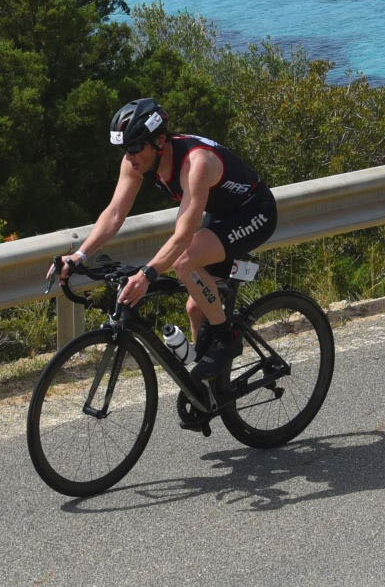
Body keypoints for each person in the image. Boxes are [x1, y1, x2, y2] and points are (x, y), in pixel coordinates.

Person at [55, 99, 278, 417]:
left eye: (134, 148)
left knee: (185, 261)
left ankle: (228, 339)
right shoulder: (136, 161)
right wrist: (79, 255)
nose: (129, 157)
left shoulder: (195, 162)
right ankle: (213, 391)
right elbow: (115, 213)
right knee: (195, 305)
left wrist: (147, 274)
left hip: (254, 212)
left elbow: (184, 236)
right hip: (221, 216)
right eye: (125, 149)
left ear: (159, 141)